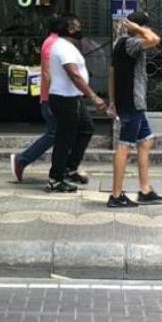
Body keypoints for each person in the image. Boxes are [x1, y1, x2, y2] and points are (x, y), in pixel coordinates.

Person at [106, 12, 162, 208]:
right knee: (124, 146)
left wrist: (112, 101)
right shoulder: (131, 43)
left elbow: (112, 74)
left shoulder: (119, 44)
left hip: (128, 101)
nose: (147, 31)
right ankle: (115, 195)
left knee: (146, 140)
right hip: (132, 102)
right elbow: (155, 40)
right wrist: (137, 28)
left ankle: (145, 190)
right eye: (145, 27)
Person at [45, 15, 107, 193]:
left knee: (86, 128)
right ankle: (55, 179)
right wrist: (94, 97)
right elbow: (74, 74)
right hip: (64, 98)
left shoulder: (68, 46)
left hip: (73, 97)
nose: (80, 29)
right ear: (70, 29)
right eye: (77, 27)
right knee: (64, 139)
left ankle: (69, 168)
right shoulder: (62, 47)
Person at [11, 17, 59, 183]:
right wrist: (55, 95)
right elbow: (47, 72)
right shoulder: (52, 43)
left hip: (57, 97)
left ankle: (65, 169)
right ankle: (23, 159)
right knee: (56, 132)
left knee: (63, 133)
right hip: (53, 98)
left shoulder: (57, 43)